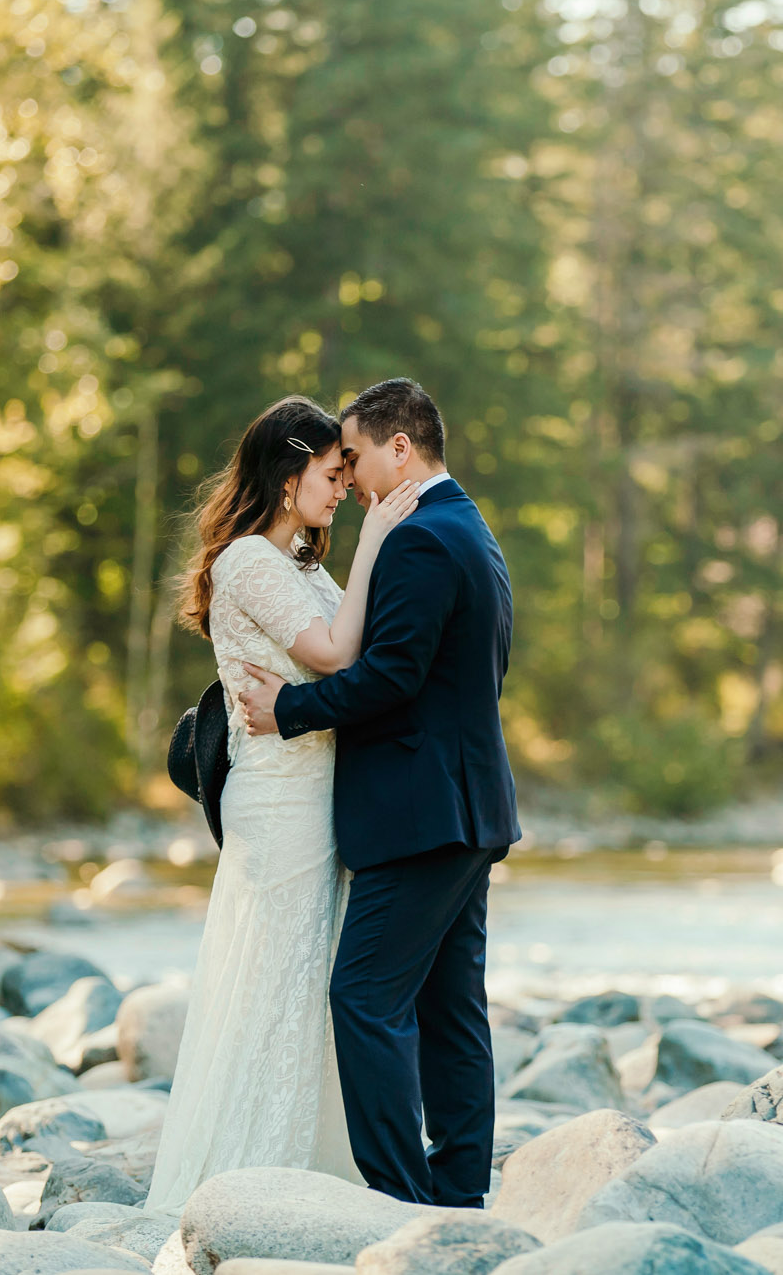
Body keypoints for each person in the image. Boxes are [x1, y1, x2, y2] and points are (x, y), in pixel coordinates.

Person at [239, 377, 521, 1208]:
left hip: (422, 814)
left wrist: (288, 707)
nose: (352, 477)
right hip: (463, 808)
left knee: (362, 996)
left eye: (356, 457)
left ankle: (399, 1195)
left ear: (403, 447)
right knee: (449, 1007)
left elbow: (392, 677)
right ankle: (460, 1189)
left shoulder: (421, 537)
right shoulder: (464, 523)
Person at [144, 395, 418, 1213]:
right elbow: (335, 654)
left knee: (316, 984)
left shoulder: (296, 562)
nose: (342, 490)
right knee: (280, 979)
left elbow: (355, 653)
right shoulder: (249, 563)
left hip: (318, 799)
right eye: (333, 475)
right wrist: (376, 541)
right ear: (287, 469)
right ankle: (250, 1183)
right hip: (280, 803)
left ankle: (316, 1175)